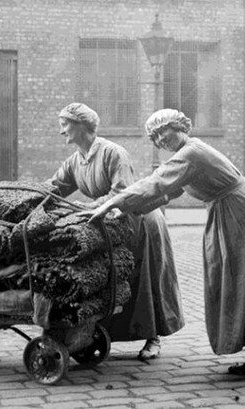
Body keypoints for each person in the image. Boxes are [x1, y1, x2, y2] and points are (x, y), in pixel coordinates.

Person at [83, 108, 245, 375]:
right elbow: (169, 192)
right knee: (240, 279)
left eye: (162, 132)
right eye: (153, 137)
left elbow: (156, 182)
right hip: (232, 211)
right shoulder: (188, 154)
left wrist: (113, 201)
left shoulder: (191, 153)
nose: (159, 141)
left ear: (179, 126)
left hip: (243, 214)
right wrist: (124, 210)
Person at [49, 103, 184, 360]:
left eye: (64, 124)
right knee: (114, 279)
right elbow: (53, 188)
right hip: (108, 223)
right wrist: (27, 196)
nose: (60, 131)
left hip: (139, 222)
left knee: (143, 278)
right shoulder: (75, 161)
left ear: (81, 125)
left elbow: (121, 192)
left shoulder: (113, 153)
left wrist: (86, 208)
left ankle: (153, 338)